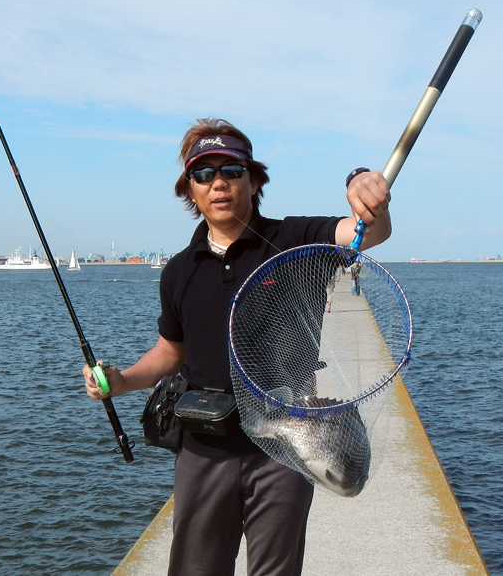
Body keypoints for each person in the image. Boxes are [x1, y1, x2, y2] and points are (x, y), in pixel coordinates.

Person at [83, 119, 390, 576]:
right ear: (189, 189)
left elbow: (369, 232)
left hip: (287, 444)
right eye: (203, 174)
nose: (218, 183)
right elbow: (171, 352)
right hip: (204, 447)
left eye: (231, 169)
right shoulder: (179, 271)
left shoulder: (294, 241)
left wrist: (364, 186)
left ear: (254, 178)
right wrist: (122, 380)